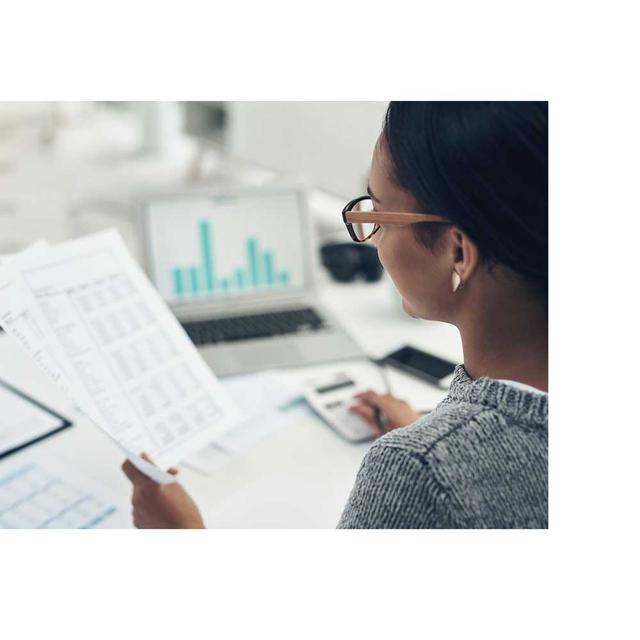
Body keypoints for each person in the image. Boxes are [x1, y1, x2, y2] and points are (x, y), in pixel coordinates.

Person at [122, 101, 548, 529]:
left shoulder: (419, 471)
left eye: (379, 213)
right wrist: (439, 431)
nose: (372, 238)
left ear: (458, 252)